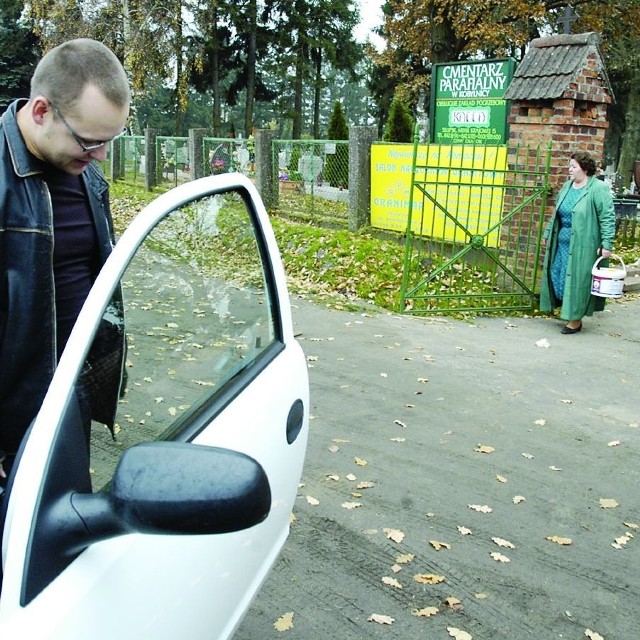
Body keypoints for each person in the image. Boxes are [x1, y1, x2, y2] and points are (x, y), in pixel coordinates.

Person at [0, 39, 130, 484]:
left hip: (69, 397)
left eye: (110, 141)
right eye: (90, 141)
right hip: (14, 418)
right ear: (41, 111)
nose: (101, 157)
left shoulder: (86, 173)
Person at [540, 151, 616, 334]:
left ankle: (575, 320)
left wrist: (607, 243)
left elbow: (607, 217)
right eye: (569, 166)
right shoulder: (567, 186)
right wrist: (548, 233)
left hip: (584, 244)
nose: (569, 170)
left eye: (573, 167)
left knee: (577, 281)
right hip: (563, 243)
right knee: (557, 274)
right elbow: (556, 213)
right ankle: (567, 310)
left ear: (585, 169)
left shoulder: (598, 188)